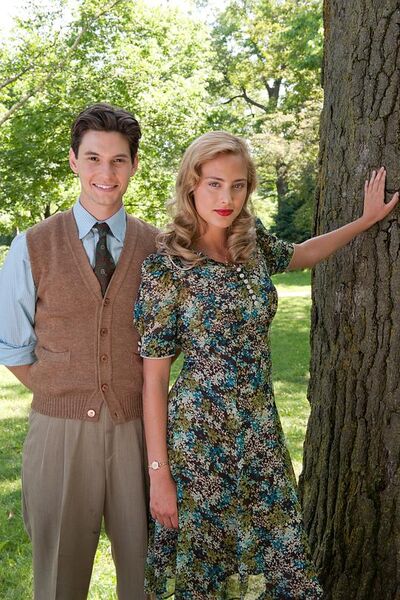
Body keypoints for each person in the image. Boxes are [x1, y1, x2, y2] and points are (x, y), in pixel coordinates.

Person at [133, 131, 398, 599]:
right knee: (207, 568)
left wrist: (364, 221)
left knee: (280, 555)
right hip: (199, 437)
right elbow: (154, 380)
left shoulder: (251, 247)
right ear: (191, 185)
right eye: (214, 184)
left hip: (259, 430)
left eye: (237, 186)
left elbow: (302, 253)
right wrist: (159, 475)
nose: (226, 198)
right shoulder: (166, 268)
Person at [0, 103, 158, 599]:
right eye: (93, 158)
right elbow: (13, 347)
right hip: (59, 434)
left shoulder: (160, 249)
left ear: (133, 165)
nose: (105, 173)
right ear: (73, 161)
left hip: (139, 430)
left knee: (145, 576)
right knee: (58, 582)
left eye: (117, 160)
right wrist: (65, 393)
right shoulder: (32, 245)